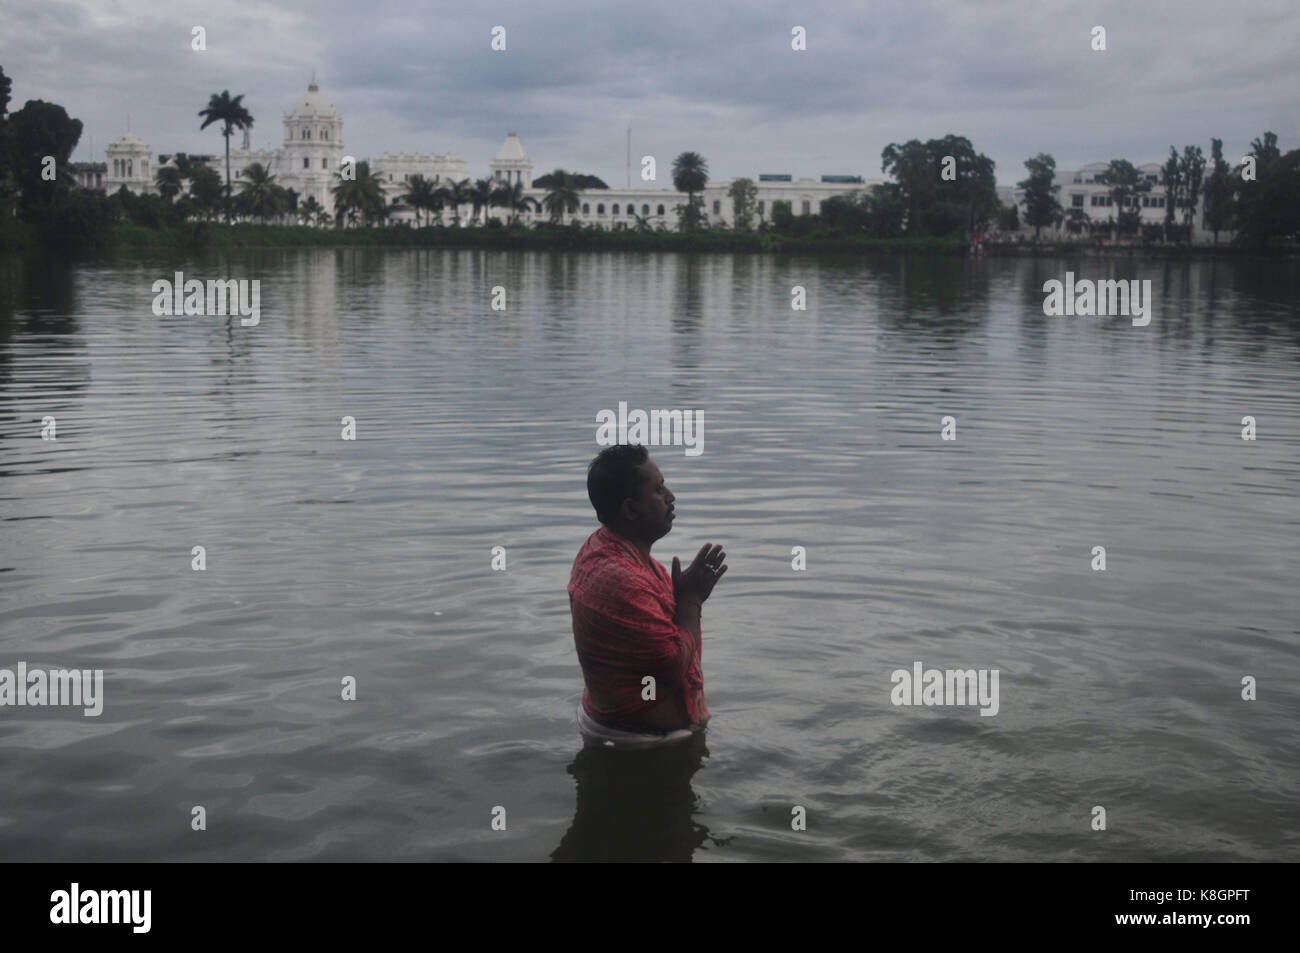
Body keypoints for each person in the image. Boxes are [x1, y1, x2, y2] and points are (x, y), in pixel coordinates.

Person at [568, 444, 726, 746]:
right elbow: (670, 665)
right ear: (630, 509)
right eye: (659, 489)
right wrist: (691, 601)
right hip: (641, 746)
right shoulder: (622, 578)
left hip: (616, 730)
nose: (671, 497)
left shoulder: (599, 548)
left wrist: (681, 600)